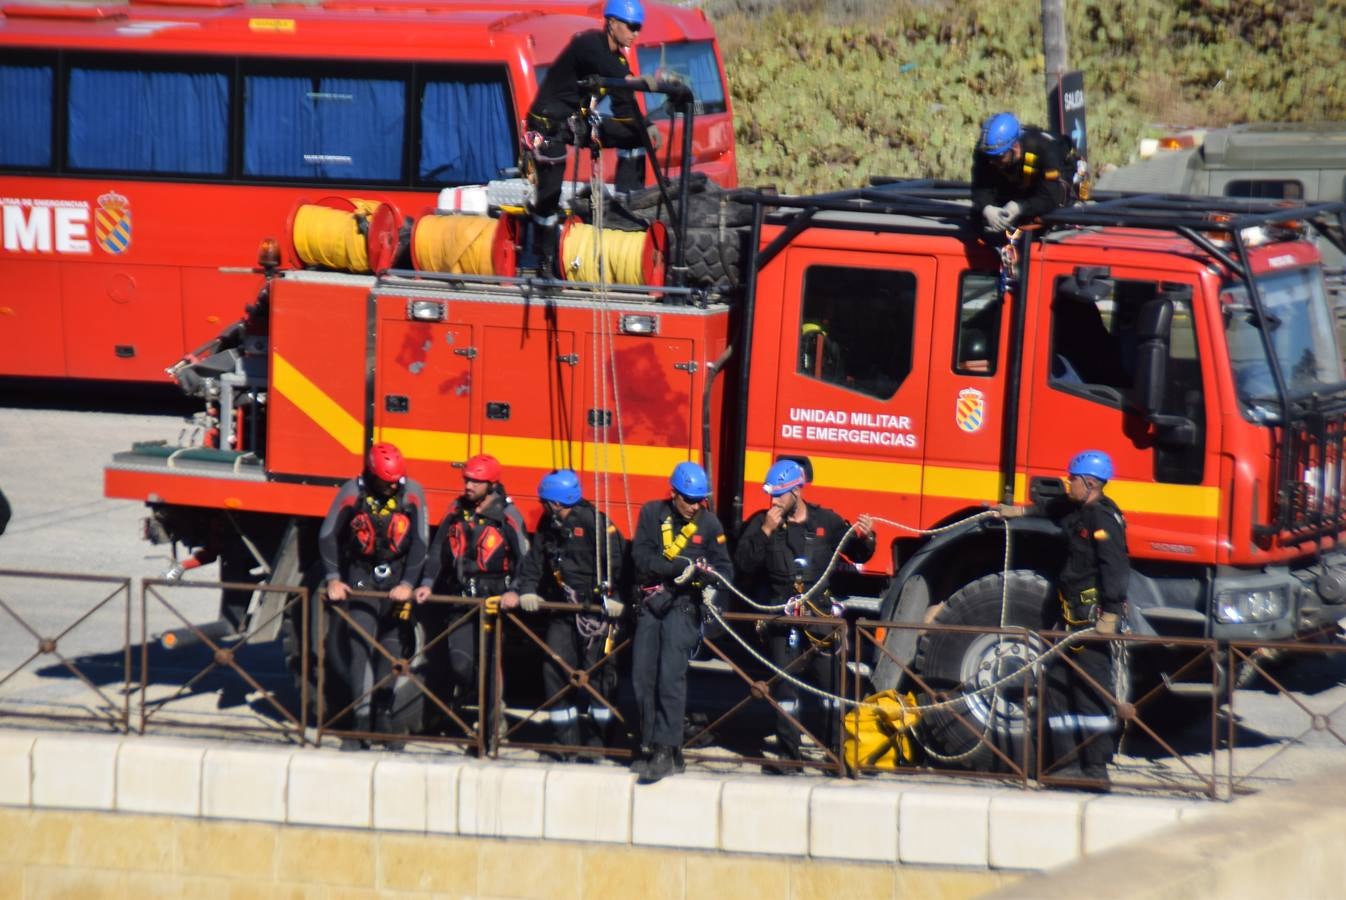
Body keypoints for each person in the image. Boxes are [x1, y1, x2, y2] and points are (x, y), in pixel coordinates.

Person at [995, 449, 1127, 786]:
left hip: (1091, 621)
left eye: (1072, 479)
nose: (1068, 484)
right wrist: (1018, 512)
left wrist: (1110, 613)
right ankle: (1065, 765)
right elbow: (1053, 509)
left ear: (1089, 483)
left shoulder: (1103, 519)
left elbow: (1114, 566)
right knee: (1056, 687)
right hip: (1070, 619)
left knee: (1091, 690)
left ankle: (1095, 769)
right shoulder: (1078, 511)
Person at [734, 459, 876, 772]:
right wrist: (766, 532)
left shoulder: (826, 521)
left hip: (820, 620)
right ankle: (789, 754)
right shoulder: (762, 523)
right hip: (782, 621)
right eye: (772, 495)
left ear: (797, 491)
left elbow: (859, 552)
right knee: (785, 690)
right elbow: (743, 564)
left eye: (780, 495)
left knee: (832, 690)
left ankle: (837, 752)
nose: (773, 501)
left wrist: (867, 536)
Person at [519, 0, 662, 274]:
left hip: (576, 123)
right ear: (612, 23)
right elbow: (614, 74)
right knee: (550, 192)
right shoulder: (588, 46)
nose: (635, 34)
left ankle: (626, 201)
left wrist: (644, 127)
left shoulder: (618, 59)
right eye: (631, 27)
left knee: (635, 134)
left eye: (639, 28)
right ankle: (543, 258)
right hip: (547, 128)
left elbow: (623, 102)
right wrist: (641, 80)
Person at [502, 469, 627, 758]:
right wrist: (528, 590)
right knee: (555, 670)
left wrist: (615, 597)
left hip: (596, 612)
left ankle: (597, 745)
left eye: (545, 501)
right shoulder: (550, 524)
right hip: (564, 611)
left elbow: (619, 564)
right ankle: (564, 744)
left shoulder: (596, 525)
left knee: (600, 679)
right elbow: (535, 561)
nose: (542, 505)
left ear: (556, 502)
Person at [318, 442, 429, 751]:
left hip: (396, 580)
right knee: (361, 646)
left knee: (392, 650)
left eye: (396, 480)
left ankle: (384, 717)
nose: (392, 486)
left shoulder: (413, 493)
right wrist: (333, 579)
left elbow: (421, 542)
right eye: (386, 481)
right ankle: (361, 721)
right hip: (361, 577)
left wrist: (408, 582)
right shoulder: (353, 491)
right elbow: (327, 535)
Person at [629, 461, 732, 784]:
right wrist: (677, 568)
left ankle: (666, 747)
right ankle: (653, 745)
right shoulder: (651, 514)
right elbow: (641, 559)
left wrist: (707, 581)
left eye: (699, 499)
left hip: (684, 608)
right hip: (651, 604)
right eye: (688, 498)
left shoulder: (710, 524)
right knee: (642, 676)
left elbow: (725, 570)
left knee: (670, 677)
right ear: (673, 493)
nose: (693, 505)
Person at [414, 454, 528, 743]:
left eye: (475, 481)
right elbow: (439, 548)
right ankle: (464, 701)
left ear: (491, 484)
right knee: (461, 665)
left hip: (493, 600)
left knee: (491, 665)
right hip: (460, 600)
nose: (468, 485)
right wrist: (427, 583)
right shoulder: (456, 509)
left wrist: (515, 590)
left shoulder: (508, 514)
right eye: (466, 479)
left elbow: (524, 560)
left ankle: (492, 729)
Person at [971, 112, 1073, 243]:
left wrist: (1020, 207)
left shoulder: (1043, 149)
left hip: (1054, 182)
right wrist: (986, 207)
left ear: (1015, 147)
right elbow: (979, 186)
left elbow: (1051, 195)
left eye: (998, 158)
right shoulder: (986, 151)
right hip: (1019, 182)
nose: (992, 162)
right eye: (990, 158)